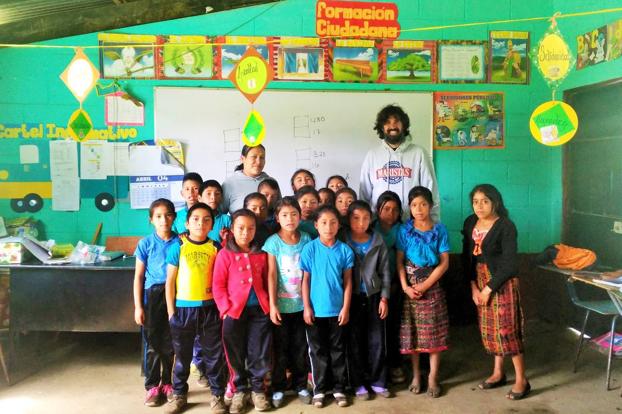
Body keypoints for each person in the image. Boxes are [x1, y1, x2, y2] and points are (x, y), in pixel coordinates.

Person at [462, 184, 530, 400]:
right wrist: (474, 286)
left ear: (495, 202)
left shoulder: (506, 226)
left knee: (507, 330)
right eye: (475, 201)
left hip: (502, 282)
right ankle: (498, 373)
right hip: (480, 280)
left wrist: (488, 289)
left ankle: (522, 380)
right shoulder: (470, 222)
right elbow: (467, 258)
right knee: (490, 329)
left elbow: (510, 264)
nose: (479, 206)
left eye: (485, 201)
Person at [164, 202, 227, 414]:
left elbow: (221, 280)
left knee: (214, 355)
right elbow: (169, 282)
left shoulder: (215, 247)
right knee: (182, 356)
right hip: (183, 310)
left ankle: (218, 396)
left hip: (210, 310)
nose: (201, 223)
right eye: (196, 219)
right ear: (187, 223)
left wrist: (221, 309)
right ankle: (179, 394)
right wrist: (172, 312)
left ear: (212, 225)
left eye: (206, 219)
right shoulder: (178, 247)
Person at [213, 209, 272, 414]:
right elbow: (218, 286)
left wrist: (269, 306)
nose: (246, 232)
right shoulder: (225, 254)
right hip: (233, 313)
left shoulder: (261, 254)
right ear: (232, 230)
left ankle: (258, 389)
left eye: (251, 228)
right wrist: (226, 309)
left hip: (259, 311)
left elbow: (267, 282)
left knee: (259, 351)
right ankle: (240, 389)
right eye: (240, 228)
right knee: (234, 352)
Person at [397, 186, 449, 399]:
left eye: (423, 204)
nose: (419, 209)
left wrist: (426, 285)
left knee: (434, 335)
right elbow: (399, 261)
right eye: (414, 205)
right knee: (414, 335)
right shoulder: (404, 230)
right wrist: (406, 287)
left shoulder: (440, 230)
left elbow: (444, 263)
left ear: (431, 205)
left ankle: (433, 377)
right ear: (409, 207)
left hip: (432, 287)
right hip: (410, 290)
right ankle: (416, 375)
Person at [300, 205, 354, 408]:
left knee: (338, 350)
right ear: (316, 225)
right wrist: (307, 307)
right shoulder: (310, 249)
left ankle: (339, 388)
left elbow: (348, 282)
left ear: (339, 226)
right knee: (317, 351)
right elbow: (305, 280)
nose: (328, 227)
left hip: (337, 311)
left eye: (333, 222)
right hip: (315, 311)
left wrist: (346, 308)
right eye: (323, 222)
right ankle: (320, 389)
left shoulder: (345, 250)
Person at [263, 197, 313, 407]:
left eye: (294, 214)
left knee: (300, 347)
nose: (290, 218)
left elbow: (310, 273)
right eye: (284, 215)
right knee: (280, 349)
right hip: (281, 307)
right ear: (277, 218)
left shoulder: (307, 239)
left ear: (300, 216)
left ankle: (301, 384)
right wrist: (273, 305)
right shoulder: (273, 242)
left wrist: (309, 304)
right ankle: (278, 387)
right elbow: (272, 275)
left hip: (302, 306)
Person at [344, 200, 392, 400]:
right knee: (354, 342)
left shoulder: (377, 240)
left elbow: (386, 272)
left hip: (373, 297)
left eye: (365, 218)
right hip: (351, 298)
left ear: (371, 219)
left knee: (377, 340)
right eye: (356, 218)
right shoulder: (342, 240)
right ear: (348, 220)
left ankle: (378, 381)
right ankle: (358, 383)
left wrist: (384, 298)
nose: (361, 223)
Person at [359, 104, 440, 221]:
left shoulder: (419, 153)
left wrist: (434, 223)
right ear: (381, 127)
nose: (392, 126)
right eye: (387, 122)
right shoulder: (372, 155)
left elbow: (431, 191)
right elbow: (364, 196)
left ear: (404, 125)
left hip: (412, 226)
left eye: (396, 121)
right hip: (379, 227)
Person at [133, 198, 177, 407]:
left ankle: (168, 383)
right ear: (151, 220)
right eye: (158, 216)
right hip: (152, 295)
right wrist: (138, 306)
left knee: (170, 342)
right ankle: (152, 386)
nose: (164, 220)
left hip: (176, 294)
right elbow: (139, 277)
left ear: (174, 217)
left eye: (168, 215)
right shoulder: (146, 243)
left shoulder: (181, 242)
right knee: (152, 344)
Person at [372, 190, 405, 384]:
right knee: (376, 329)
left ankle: (395, 364)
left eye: (395, 210)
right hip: (374, 287)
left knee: (395, 327)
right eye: (386, 209)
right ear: (378, 210)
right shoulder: (370, 228)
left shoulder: (403, 230)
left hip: (398, 284)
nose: (390, 214)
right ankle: (377, 367)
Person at [222, 145, 270, 214]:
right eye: (254, 157)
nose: (258, 162)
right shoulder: (229, 183)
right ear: (242, 159)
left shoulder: (270, 182)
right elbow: (218, 216)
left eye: (262, 158)